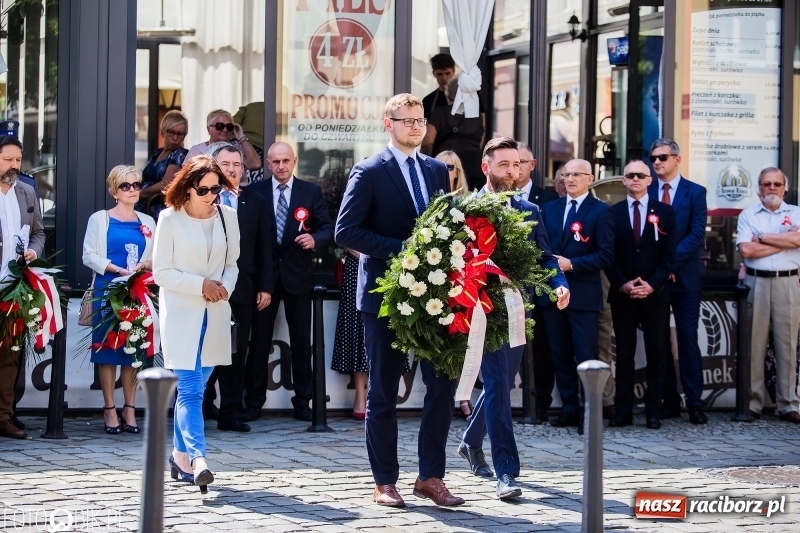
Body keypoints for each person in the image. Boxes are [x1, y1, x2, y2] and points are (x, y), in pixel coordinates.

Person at [335, 93, 464, 508]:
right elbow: (346, 232)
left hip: (435, 295)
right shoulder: (369, 171)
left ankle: (430, 477)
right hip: (385, 296)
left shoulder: (435, 170)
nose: (415, 127)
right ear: (388, 124)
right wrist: (403, 248)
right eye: (406, 120)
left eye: (420, 120)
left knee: (441, 387)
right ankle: (384, 481)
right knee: (384, 392)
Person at [458, 137, 569, 500]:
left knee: (501, 386)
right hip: (480, 311)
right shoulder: (465, 208)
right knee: (498, 386)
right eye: (503, 164)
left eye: (516, 164)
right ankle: (507, 472)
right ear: (486, 167)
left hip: (518, 311)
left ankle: (471, 441)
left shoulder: (531, 210)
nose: (511, 171)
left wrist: (559, 284)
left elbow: (546, 257)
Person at [152, 155, 239, 492]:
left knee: (196, 390)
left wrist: (223, 289)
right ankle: (199, 457)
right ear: (187, 188)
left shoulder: (228, 217)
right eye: (203, 189)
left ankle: (179, 456)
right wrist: (199, 285)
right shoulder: (169, 219)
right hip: (181, 314)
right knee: (189, 390)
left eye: (216, 189)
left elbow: (232, 264)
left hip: (215, 314)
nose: (210, 195)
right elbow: (161, 272)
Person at [244, 142, 333, 422]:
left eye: (286, 161)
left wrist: (315, 239)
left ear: (294, 161)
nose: (281, 166)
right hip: (264, 280)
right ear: (268, 164)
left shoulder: (310, 191)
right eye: (275, 162)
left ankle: (303, 402)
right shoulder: (255, 192)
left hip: (299, 278)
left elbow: (328, 227)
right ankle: (253, 402)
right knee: (258, 344)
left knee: (300, 341)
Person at [203, 144, 273, 432]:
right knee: (204, 350)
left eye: (237, 164)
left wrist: (265, 286)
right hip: (205, 289)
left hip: (242, 289)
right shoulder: (201, 197)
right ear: (214, 166)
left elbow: (264, 246)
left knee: (235, 353)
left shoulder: (254, 200)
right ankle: (201, 407)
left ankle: (231, 413)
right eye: (226, 164)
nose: (232, 169)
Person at [540, 159, 614, 430]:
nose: (569, 179)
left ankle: (588, 413)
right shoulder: (549, 209)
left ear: (590, 178)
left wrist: (572, 264)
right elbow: (541, 247)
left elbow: (606, 255)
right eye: (566, 174)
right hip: (553, 295)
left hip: (584, 295)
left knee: (586, 355)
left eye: (576, 175)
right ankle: (569, 409)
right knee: (560, 354)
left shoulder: (601, 211)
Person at [82, 165, 156, 435]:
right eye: (126, 186)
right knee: (107, 352)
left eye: (137, 184)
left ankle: (130, 408)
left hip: (137, 290)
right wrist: (115, 268)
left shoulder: (148, 222)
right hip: (107, 289)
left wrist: (147, 264)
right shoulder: (100, 219)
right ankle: (109, 408)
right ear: (114, 190)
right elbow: (88, 255)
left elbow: (159, 256)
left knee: (133, 350)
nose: (133, 190)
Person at [606, 160, 677, 430]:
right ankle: (623, 412)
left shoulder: (666, 213)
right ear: (623, 181)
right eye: (630, 175)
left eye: (640, 175)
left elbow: (669, 256)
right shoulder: (612, 214)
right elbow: (608, 255)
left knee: (657, 354)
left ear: (650, 180)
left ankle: (653, 413)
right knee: (624, 355)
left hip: (655, 294)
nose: (635, 179)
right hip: (623, 294)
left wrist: (652, 284)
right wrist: (623, 283)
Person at [647, 138, 708, 425]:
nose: (657, 162)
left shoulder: (696, 192)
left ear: (677, 159)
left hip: (684, 277)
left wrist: (670, 263)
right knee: (658, 342)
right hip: (656, 278)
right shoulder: (647, 192)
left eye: (662, 157)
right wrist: (661, 269)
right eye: (653, 157)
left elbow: (697, 235)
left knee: (687, 338)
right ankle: (667, 401)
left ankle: (695, 403)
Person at [736, 167, 800, 423]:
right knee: (753, 344)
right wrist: (783, 241)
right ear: (758, 188)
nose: (771, 188)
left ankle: (788, 403)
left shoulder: (796, 213)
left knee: (788, 344)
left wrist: (761, 237)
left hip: (788, 282)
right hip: (756, 282)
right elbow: (746, 251)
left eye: (776, 184)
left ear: (784, 187)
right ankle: (753, 402)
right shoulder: (747, 214)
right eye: (766, 184)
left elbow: (797, 241)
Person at [0, 136, 45, 440]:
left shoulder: (27, 193)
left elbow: (39, 233)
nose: (14, 166)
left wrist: (33, 251)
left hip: (14, 287)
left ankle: (4, 415)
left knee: (10, 355)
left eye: (18, 160)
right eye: (8, 160)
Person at [516, 143, 559, 423]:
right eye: (509, 162)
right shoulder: (496, 197)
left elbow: (547, 246)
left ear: (532, 164)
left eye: (520, 162)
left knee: (541, 348)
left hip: (539, 287)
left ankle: (539, 405)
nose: (515, 168)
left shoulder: (549, 199)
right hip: (507, 287)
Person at [421, 77, 485, 190]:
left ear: (448, 94)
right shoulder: (479, 116)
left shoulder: (440, 113)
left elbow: (427, 143)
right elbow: (480, 142)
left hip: (447, 169)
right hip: (474, 169)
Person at [137, 110, 189, 221]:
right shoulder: (157, 153)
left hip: (157, 206)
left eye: (180, 134)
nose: (175, 137)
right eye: (171, 132)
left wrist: (139, 194)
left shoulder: (181, 154)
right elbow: (144, 177)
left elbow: (165, 184)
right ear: (162, 132)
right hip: (141, 202)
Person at [185, 109, 262, 173]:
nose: (225, 130)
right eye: (220, 126)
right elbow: (188, 176)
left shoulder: (237, 147)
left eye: (229, 126)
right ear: (209, 129)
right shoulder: (197, 150)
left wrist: (241, 136)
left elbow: (256, 165)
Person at [517, 143, 558, 207]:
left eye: (522, 162)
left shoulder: (550, 199)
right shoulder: (498, 197)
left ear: (532, 165)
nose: (518, 167)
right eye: (514, 163)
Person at [422, 53, 456, 119]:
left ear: (454, 71)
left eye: (447, 73)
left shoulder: (468, 97)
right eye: (440, 74)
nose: (444, 78)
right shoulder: (428, 101)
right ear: (434, 74)